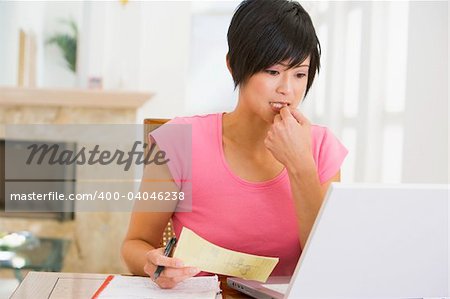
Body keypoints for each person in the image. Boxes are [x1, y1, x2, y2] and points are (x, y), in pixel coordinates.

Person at [122, 0, 347, 289]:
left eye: (299, 74)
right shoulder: (178, 141)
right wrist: (152, 263)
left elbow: (329, 263)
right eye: (272, 71)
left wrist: (300, 164)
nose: (287, 89)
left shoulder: (322, 147)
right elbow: (134, 244)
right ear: (233, 65)